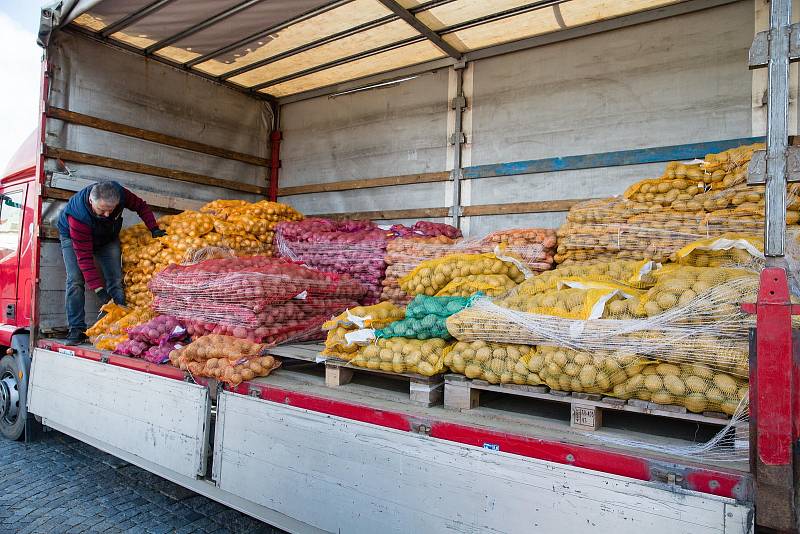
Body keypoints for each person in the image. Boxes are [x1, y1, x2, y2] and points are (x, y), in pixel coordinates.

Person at [57, 181, 166, 345]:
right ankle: (76, 329)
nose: (107, 214)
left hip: (107, 236)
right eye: (102, 210)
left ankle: (118, 327)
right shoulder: (77, 217)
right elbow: (85, 259)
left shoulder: (120, 193)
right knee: (75, 280)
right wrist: (99, 291)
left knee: (115, 278)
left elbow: (141, 206)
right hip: (73, 237)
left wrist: (154, 228)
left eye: (111, 210)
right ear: (91, 201)